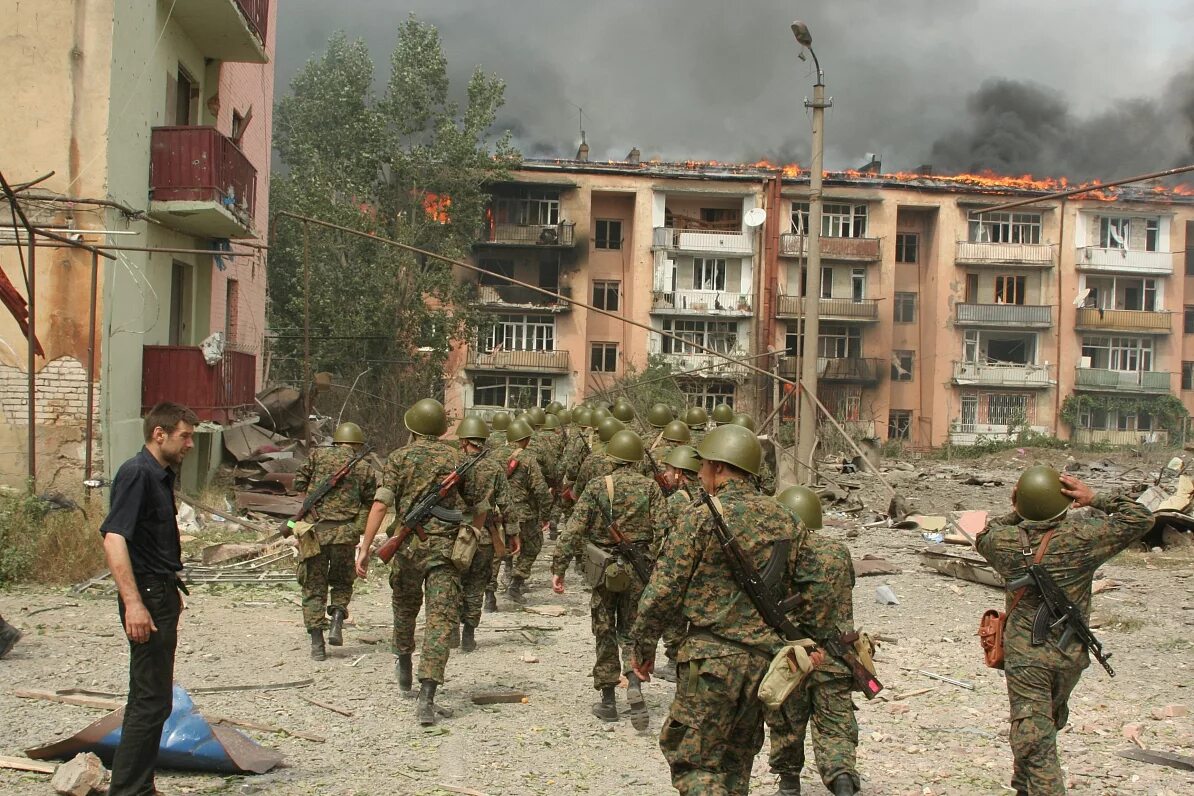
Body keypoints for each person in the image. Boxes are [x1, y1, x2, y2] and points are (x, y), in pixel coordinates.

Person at [629, 424, 801, 794]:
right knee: (735, 767)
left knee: (694, 763)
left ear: (720, 468)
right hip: (761, 665)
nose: (701, 475)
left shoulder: (698, 517)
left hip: (708, 663)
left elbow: (662, 593)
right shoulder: (786, 518)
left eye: (704, 466)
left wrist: (642, 648)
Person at [975, 465, 1153, 796]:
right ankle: (1023, 788)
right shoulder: (1085, 538)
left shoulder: (1003, 542)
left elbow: (983, 534)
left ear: (1020, 502)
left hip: (1026, 656)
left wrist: (1017, 512)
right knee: (1036, 729)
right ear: (1065, 502)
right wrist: (1095, 498)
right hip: (1069, 654)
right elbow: (1141, 518)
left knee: (1033, 732)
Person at [355, 398, 493, 725]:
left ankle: (403, 660)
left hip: (406, 550)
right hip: (444, 551)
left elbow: (380, 505)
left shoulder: (399, 458)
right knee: (440, 620)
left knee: (404, 608)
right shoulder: (459, 458)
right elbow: (481, 506)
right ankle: (427, 695)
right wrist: (470, 534)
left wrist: (364, 546)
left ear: (412, 427)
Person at [99, 401, 198, 796]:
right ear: (160, 434)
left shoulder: (159, 475)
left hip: (160, 591)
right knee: (148, 699)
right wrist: (135, 603)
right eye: (185, 436)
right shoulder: (137, 473)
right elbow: (114, 538)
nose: (190, 443)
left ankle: (140, 785)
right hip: (147, 594)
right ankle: (128, 790)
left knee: (156, 698)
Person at [552, 430, 669, 728]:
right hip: (639, 570)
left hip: (605, 569)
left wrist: (559, 567)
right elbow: (665, 531)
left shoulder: (596, 486)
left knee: (604, 629)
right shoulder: (651, 488)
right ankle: (634, 684)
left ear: (612, 457)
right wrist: (652, 561)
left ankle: (607, 701)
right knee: (632, 629)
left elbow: (574, 530)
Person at [767, 486, 860, 796]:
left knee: (787, 724)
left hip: (795, 654)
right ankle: (842, 780)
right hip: (837, 653)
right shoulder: (838, 551)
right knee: (835, 725)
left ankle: (789, 783)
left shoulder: (778, 554)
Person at [292, 421, 376, 660]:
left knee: (313, 587)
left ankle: (317, 644)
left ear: (337, 440)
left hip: (314, 533)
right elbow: (369, 503)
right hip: (344, 535)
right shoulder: (364, 467)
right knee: (341, 582)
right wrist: (356, 528)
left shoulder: (318, 456)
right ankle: (337, 618)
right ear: (357, 444)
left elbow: (298, 483)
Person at [454, 416, 509, 649]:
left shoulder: (454, 466)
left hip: (456, 536)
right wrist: (514, 533)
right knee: (476, 586)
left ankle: (453, 630)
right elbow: (506, 504)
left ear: (464, 440)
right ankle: (469, 633)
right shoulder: (495, 468)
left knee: (454, 583)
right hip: (485, 535)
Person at [655, 444, 702, 682]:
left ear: (680, 474)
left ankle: (675, 660)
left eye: (670, 470)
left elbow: (658, 533)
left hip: (682, 569)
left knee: (673, 615)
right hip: (706, 572)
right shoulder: (710, 494)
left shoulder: (677, 501)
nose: (665, 474)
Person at [496, 418, 551, 605]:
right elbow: (541, 490)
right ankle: (516, 584)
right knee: (534, 544)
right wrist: (545, 516)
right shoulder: (527, 459)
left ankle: (490, 597)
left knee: (496, 548)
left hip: (497, 513)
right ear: (526, 440)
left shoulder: (494, 455)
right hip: (522, 513)